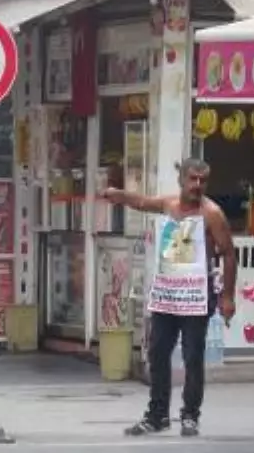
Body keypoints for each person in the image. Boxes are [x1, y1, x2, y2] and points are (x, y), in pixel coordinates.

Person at [101, 158, 236, 437]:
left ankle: (190, 415)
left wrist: (228, 297)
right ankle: (157, 415)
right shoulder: (169, 205)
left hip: (196, 295)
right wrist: (119, 196)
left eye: (203, 180)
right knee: (158, 353)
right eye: (193, 179)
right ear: (182, 180)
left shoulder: (212, 214)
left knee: (192, 356)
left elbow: (229, 253)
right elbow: (142, 202)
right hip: (167, 293)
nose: (197, 185)